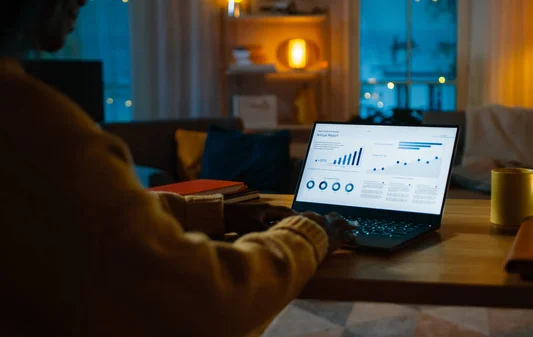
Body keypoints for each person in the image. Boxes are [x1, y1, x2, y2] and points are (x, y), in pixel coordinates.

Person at [0, 1, 355, 336]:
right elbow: (208, 296)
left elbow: (80, 216)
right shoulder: (40, 128)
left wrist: (218, 214)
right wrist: (309, 232)